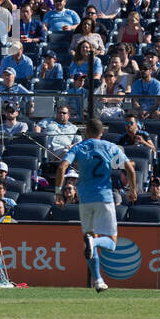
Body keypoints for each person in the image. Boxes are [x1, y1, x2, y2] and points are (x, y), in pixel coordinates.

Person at [57, 118, 135, 293]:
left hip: (85, 200)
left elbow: (62, 167)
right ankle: (95, 243)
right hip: (105, 199)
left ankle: (98, 280)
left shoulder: (79, 147)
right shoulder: (110, 147)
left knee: (88, 241)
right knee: (111, 242)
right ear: (102, 132)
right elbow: (130, 168)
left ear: (87, 131)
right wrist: (133, 190)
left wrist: (57, 192)